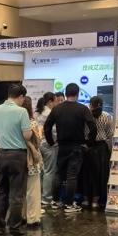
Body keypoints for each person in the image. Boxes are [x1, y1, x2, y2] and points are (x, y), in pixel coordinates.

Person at [44, 83, 97, 213]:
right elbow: (93, 127)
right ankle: (69, 204)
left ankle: (55, 201)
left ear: (65, 94)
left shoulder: (57, 109)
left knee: (59, 173)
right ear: (77, 94)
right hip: (77, 146)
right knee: (72, 176)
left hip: (62, 146)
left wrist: (51, 142)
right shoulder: (83, 109)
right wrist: (89, 143)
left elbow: (47, 126)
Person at [0, 84, 33, 236]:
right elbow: (27, 135)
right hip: (17, 155)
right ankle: (14, 228)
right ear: (20, 97)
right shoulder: (21, 112)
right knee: (16, 194)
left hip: (1, 154)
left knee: (1, 191)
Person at [81, 96, 113, 209]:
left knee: (87, 174)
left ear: (90, 105)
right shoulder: (107, 116)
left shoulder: (86, 116)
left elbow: (82, 132)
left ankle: (86, 199)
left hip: (88, 147)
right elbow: (110, 135)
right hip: (101, 149)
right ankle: (97, 201)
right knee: (100, 175)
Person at [21, 97, 43, 228]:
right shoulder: (32, 123)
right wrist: (40, 133)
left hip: (19, 158)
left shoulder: (16, 121)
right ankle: (33, 218)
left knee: (21, 190)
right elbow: (37, 141)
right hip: (31, 160)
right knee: (33, 190)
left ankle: (22, 215)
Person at [37, 91, 57, 206]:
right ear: (50, 101)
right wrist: (55, 142)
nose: (56, 103)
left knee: (41, 171)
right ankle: (46, 198)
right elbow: (54, 130)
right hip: (49, 145)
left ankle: (40, 195)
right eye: (55, 101)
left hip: (39, 144)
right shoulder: (50, 113)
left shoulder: (38, 112)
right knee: (49, 171)